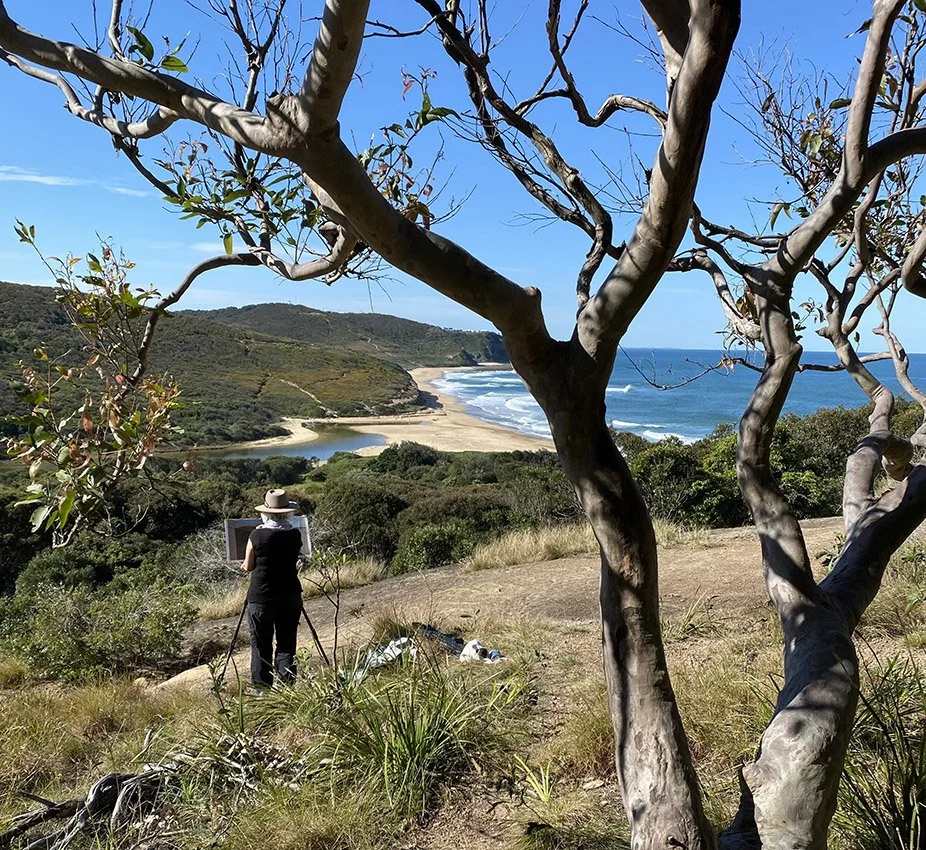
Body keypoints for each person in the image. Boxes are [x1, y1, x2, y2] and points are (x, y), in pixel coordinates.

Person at [242, 488, 303, 689]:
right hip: (290, 595)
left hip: (261, 597)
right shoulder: (295, 534)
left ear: (266, 513)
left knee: (260, 645)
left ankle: (262, 691)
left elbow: (248, 566)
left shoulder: (256, 535)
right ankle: (287, 689)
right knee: (287, 644)